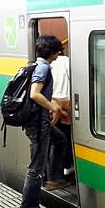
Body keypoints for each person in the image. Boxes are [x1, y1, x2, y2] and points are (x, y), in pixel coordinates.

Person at [18, 35, 62, 208]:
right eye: (58, 50)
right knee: (36, 166)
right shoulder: (43, 67)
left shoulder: (35, 64)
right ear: (52, 51)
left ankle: (54, 177)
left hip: (38, 121)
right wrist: (53, 107)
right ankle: (28, 207)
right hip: (38, 123)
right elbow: (34, 94)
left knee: (60, 139)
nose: (60, 53)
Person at [44, 41, 73, 190]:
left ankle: (51, 176)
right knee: (62, 141)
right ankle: (55, 178)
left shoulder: (43, 65)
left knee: (52, 143)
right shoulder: (66, 62)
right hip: (62, 106)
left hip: (50, 106)